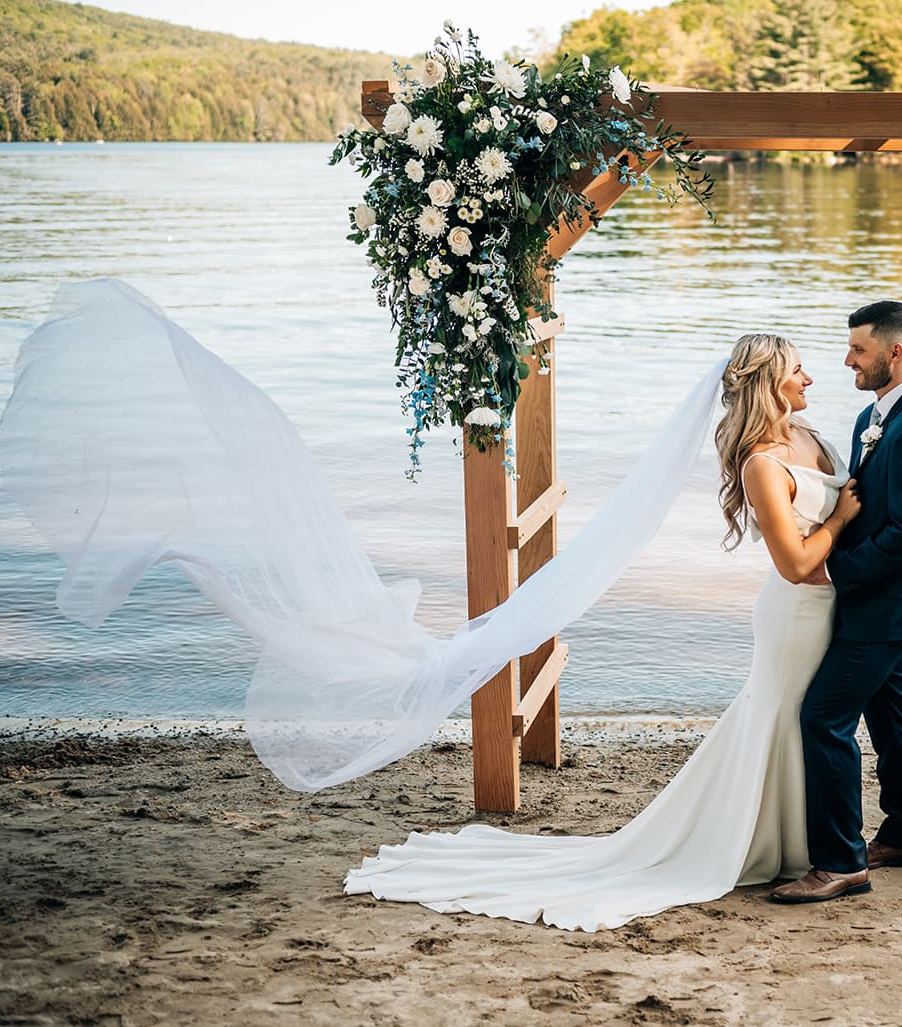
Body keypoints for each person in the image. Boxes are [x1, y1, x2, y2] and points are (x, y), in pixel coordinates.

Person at [343, 332, 864, 930]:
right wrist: (843, 518)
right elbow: (795, 565)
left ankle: (803, 843)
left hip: (833, 610)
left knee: (803, 723)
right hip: (795, 616)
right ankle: (771, 844)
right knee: (779, 716)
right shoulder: (761, 466)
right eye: (799, 370)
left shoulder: (815, 438)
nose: (811, 379)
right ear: (770, 383)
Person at [771, 301, 902, 906]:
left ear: (893, 352)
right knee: (891, 714)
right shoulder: (873, 418)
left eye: (857, 349)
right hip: (878, 600)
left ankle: (839, 862)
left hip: (885, 604)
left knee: (823, 718)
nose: (847, 359)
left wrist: (834, 570)